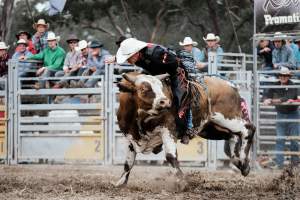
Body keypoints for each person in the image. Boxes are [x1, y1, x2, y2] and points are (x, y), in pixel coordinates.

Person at [116, 38, 196, 144]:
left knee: (180, 97)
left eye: (128, 57)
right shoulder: (140, 56)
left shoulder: (156, 53)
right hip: (155, 73)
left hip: (175, 73)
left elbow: (173, 62)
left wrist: (165, 75)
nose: (127, 60)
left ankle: (186, 129)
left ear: (135, 53)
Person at [263, 67, 299, 168]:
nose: (283, 77)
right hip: (281, 114)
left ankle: (295, 164)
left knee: (294, 140)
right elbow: (266, 93)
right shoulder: (275, 85)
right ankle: (279, 164)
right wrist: (266, 98)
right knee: (279, 139)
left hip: (293, 114)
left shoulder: (292, 85)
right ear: (279, 76)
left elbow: (288, 97)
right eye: (281, 75)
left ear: (288, 77)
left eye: (285, 75)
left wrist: (273, 101)